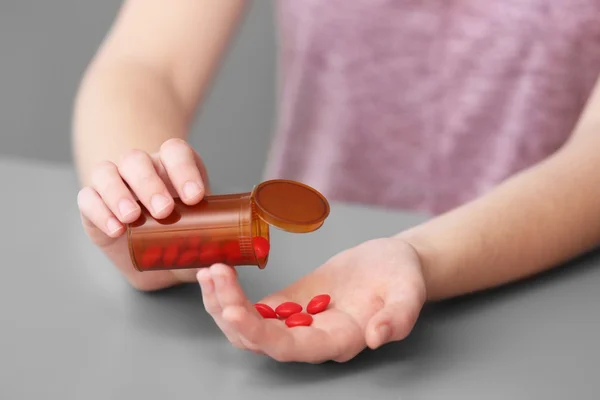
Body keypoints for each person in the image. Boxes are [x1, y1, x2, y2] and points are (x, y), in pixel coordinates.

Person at [72, 0, 600, 363]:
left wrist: (420, 254)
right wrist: (153, 215)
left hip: (549, 305)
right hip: (306, 268)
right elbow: (145, 64)